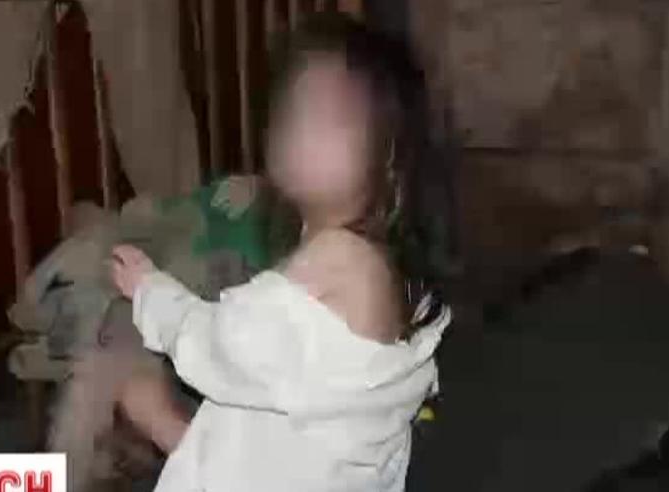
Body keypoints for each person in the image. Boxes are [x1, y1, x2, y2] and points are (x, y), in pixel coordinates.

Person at [110, 12, 452, 492]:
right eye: (293, 111)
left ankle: (169, 432)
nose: (302, 130)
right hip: (305, 462)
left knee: (153, 398)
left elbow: (224, 346)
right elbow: (284, 389)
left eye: (329, 118)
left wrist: (152, 293)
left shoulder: (341, 256)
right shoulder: (369, 258)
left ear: (388, 157)